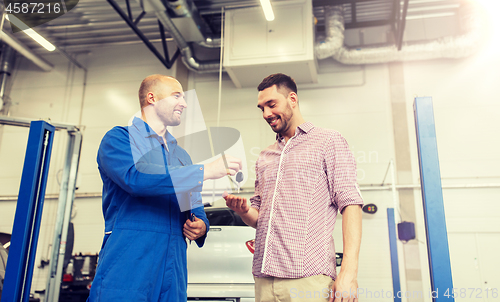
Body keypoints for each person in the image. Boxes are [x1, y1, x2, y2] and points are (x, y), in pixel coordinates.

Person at [88, 75, 241, 302]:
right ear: (152, 98)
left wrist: (202, 226)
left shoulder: (181, 156)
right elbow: (136, 178)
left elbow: (194, 204)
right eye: (177, 95)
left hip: (174, 264)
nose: (184, 103)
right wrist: (204, 171)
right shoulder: (119, 139)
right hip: (131, 259)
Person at [224, 73, 363, 302]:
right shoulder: (265, 156)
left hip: (307, 280)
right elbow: (259, 220)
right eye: (261, 108)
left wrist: (349, 272)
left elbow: (351, 204)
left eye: (272, 104)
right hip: (263, 280)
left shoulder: (328, 141)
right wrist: (243, 211)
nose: (266, 114)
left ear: (292, 99)